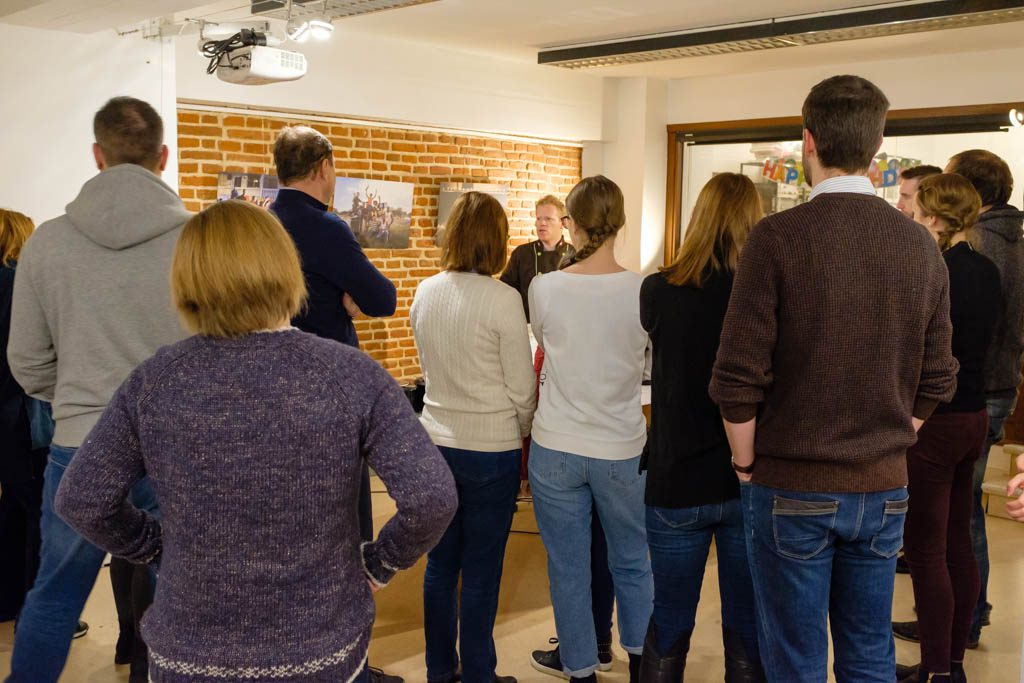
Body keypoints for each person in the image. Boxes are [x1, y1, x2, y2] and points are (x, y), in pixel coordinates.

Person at [51, 199, 457, 683]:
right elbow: (432, 498)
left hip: (189, 656)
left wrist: (154, 545)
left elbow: (82, 498)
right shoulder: (351, 375)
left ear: (187, 282)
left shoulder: (155, 381)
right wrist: (378, 563)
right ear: (287, 270)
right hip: (321, 652)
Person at [709, 75, 958, 683]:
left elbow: (737, 378)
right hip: (882, 484)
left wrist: (746, 466)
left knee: (794, 656)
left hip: (789, 481)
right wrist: (897, 432)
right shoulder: (919, 245)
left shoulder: (776, 238)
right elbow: (940, 373)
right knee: (869, 649)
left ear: (807, 141)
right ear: (878, 148)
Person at [4, 97, 187, 683]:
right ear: (163, 155)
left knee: (54, 596)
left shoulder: (48, 242)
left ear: (96, 155)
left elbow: (26, 361)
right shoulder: (198, 239)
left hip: (82, 441)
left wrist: (77, 398)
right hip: (176, 442)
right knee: (177, 600)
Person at [269, 125, 402, 682]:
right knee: (347, 531)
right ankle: (351, 664)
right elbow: (383, 299)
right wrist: (344, 302)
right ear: (323, 167)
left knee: (285, 530)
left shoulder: (262, 221)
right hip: (326, 395)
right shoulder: (325, 227)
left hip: (269, 391)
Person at [638, 173, 765, 682]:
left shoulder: (658, 289)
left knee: (668, 622)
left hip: (676, 476)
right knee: (745, 628)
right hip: (746, 478)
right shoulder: (761, 293)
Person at [528, 175, 652, 683]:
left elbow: (546, 349)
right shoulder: (645, 289)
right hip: (622, 446)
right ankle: (647, 665)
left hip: (556, 443)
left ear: (571, 225)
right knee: (633, 562)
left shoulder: (545, 287)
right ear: (620, 222)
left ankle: (581, 670)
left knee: (568, 569)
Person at [411, 192, 536, 683]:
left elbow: (427, 372)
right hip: (492, 451)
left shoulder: (425, 290)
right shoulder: (504, 300)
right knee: (482, 571)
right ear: (497, 241)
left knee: (440, 566)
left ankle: (440, 671)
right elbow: (522, 390)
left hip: (436, 442)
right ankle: (480, 673)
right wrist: (522, 434)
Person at [895, 174, 1001, 683]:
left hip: (937, 420)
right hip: (975, 415)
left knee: (926, 550)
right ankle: (952, 663)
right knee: (958, 542)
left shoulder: (937, 271)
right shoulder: (986, 269)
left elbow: (920, 352)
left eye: (916, 211)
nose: (912, 218)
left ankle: (936, 670)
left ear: (935, 219)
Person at [0, 209, 48, 623]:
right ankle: (36, 609)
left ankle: (6, 600)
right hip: (21, 417)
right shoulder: (19, 285)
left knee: (12, 508)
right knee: (36, 513)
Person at [500, 195, 575, 322]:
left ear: (562, 223)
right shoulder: (521, 253)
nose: (542, 223)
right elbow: (505, 292)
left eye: (548, 219)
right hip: (526, 327)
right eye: (539, 218)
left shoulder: (574, 254)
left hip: (564, 329)